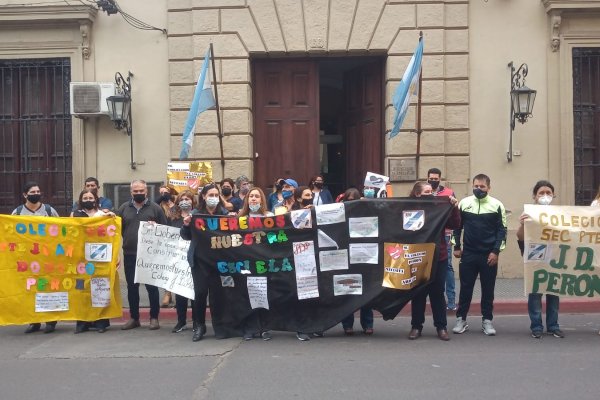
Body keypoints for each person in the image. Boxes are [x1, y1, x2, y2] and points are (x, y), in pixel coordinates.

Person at [452, 174, 507, 336]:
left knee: (488, 290)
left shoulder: (497, 205)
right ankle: (461, 319)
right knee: (465, 289)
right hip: (468, 254)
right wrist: (456, 246)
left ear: (489, 188)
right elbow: (456, 226)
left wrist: (496, 251)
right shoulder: (464, 203)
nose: (478, 189)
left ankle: (487, 320)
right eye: (476, 186)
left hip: (488, 256)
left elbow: (502, 231)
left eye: (482, 187)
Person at [407, 181, 460, 341]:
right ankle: (416, 326)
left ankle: (441, 327)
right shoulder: (409, 209)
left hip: (439, 256)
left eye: (431, 191)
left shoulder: (439, 207)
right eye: (426, 192)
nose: (430, 194)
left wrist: (453, 207)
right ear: (417, 194)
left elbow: (455, 224)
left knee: (437, 292)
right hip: (417, 256)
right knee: (418, 293)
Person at [117, 180, 167, 331]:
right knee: (132, 288)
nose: (138, 193)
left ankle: (154, 318)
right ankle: (134, 318)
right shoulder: (124, 208)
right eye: (135, 191)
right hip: (130, 254)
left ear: (146, 191)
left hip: (149, 255)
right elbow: (119, 229)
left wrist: (156, 228)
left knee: (152, 288)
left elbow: (164, 230)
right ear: (131, 192)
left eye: (141, 191)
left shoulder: (155, 209)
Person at [181, 183, 228, 341]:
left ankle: (219, 326)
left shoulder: (224, 214)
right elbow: (185, 236)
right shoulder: (196, 213)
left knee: (217, 295)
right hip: (199, 260)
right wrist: (186, 225)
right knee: (200, 293)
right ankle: (199, 325)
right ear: (203, 197)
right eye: (210, 195)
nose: (214, 198)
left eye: (216, 195)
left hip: (218, 261)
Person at [517, 180, 564, 339]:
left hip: (555, 257)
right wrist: (522, 224)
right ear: (535, 196)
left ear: (553, 195)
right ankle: (536, 326)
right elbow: (520, 237)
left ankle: (553, 326)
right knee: (535, 294)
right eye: (541, 193)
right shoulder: (529, 214)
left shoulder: (560, 215)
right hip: (536, 257)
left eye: (548, 193)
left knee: (553, 293)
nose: (545, 196)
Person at [13, 182, 60, 334]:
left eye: (38, 191)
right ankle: (34, 321)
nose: (36, 193)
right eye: (32, 192)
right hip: (27, 258)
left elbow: (59, 229)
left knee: (47, 287)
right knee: (30, 289)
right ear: (25, 195)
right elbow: (11, 233)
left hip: (47, 257)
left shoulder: (49, 210)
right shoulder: (18, 212)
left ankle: (51, 321)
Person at [72, 189, 115, 334]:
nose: (88, 199)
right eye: (85, 197)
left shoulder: (103, 214)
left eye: (91, 197)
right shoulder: (75, 214)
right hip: (81, 257)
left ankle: (100, 321)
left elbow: (112, 234)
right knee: (81, 289)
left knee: (100, 288)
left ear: (96, 199)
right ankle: (82, 322)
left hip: (100, 257)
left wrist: (112, 217)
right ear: (80, 199)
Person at [237, 187, 274, 341]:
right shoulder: (240, 218)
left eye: (256, 197)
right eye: (251, 196)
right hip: (247, 262)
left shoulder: (270, 217)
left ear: (261, 200)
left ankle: (265, 328)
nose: (253, 199)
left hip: (264, 262)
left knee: (265, 295)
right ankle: (250, 328)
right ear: (247, 200)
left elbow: (274, 238)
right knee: (248, 296)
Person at [340, 187, 374, 336]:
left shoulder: (366, 212)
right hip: (346, 257)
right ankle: (347, 325)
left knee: (366, 292)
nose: (352, 203)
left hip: (364, 256)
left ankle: (368, 324)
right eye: (349, 201)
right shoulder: (340, 214)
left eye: (355, 200)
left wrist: (368, 204)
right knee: (347, 291)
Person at [427, 167, 458, 311]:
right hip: (427, 236)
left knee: (448, 268)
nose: (433, 180)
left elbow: (454, 211)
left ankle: (451, 301)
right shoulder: (424, 192)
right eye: (431, 178)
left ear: (440, 178)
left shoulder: (448, 193)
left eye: (435, 178)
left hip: (445, 234)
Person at [168, 190, 198, 335]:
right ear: (178, 202)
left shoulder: (197, 216)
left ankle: (196, 321)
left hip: (194, 257)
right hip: (178, 259)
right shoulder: (173, 218)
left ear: (193, 201)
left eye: (188, 199)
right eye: (182, 199)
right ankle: (181, 321)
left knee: (195, 291)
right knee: (180, 291)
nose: (185, 201)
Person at [157, 185, 176, 308]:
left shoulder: (175, 205)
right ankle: (167, 293)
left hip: (176, 240)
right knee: (166, 268)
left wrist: (170, 202)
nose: (164, 194)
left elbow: (177, 216)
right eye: (161, 193)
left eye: (166, 192)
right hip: (162, 241)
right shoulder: (157, 206)